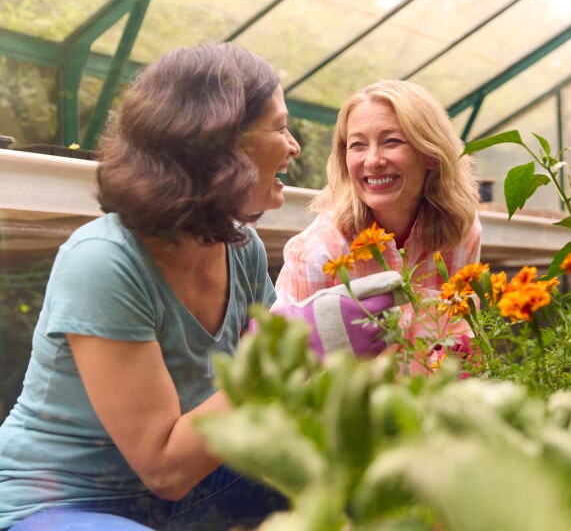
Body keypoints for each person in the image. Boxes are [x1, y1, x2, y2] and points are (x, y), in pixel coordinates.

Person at [0, 43, 299, 530]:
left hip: (187, 494)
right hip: (62, 503)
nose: (294, 146)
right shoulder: (104, 261)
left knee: (352, 473)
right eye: (280, 127)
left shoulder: (240, 246)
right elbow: (165, 467)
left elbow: (268, 398)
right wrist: (300, 340)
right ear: (223, 144)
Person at [274, 80, 482, 340]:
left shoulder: (462, 231)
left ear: (431, 154)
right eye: (358, 145)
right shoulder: (317, 252)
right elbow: (281, 362)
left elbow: (463, 340)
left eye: (392, 141)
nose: (373, 161)